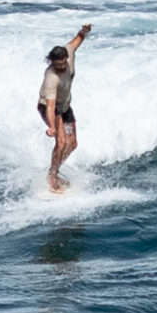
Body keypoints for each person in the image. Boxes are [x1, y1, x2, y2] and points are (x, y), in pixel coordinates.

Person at [37, 22, 93, 193]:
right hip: (50, 107)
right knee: (61, 142)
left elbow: (77, 40)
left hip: (65, 105)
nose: (62, 68)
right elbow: (51, 105)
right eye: (58, 65)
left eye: (63, 64)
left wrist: (84, 31)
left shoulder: (68, 52)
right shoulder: (51, 78)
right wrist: (52, 127)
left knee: (72, 144)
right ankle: (52, 176)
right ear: (51, 61)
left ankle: (53, 171)